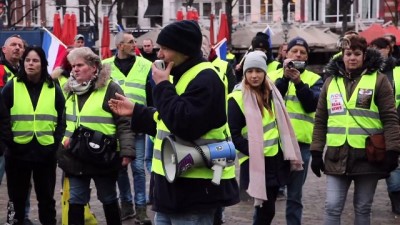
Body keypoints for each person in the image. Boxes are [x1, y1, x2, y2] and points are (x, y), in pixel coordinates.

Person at [108, 20, 240, 225]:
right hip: (171, 188)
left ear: (184, 50)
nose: (159, 54)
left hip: (194, 191)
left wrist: (161, 86)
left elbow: (183, 124)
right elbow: (166, 121)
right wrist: (136, 111)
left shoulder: (206, 78)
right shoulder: (181, 75)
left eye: (165, 49)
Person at [310, 34, 400, 224]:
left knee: (362, 207)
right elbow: (320, 120)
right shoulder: (330, 82)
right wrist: (316, 151)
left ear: (364, 56)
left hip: (368, 156)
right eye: (348, 53)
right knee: (332, 206)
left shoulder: (379, 80)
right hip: (336, 155)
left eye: (357, 54)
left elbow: (390, 119)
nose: (352, 58)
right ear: (342, 55)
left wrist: (393, 150)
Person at [57, 47, 135, 225]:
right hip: (74, 155)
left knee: (108, 197)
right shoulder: (68, 89)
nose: (75, 69)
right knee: (75, 199)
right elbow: (62, 121)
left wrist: (127, 151)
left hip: (103, 155)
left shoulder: (111, 88)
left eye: (80, 65)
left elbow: (124, 122)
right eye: (73, 65)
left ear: (94, 67)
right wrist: (61, 145)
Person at [228, 51, 302, 225]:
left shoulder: (272, 92)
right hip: (257, 161)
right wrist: (254, 151)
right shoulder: (236, 98)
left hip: (276, 159)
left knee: (268, 210)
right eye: (250, 71)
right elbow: (235, 136)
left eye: (258, 71)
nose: (254, 76)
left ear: (264, 72)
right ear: (244, 73)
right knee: (264, 211)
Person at [2, 46, 66, 225]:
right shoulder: (12, 85)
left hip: (45, 152)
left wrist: (54, 144)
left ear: (42, 64)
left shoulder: (53, 87)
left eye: (35, 60)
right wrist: (10, 143)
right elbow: (2, 117)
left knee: (46, 200)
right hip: (17, 153)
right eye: (27, 60)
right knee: (17, 199)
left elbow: (62, 118)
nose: (30, 64)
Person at [268, 37, 323, 225]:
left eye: (302, 52)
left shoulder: (315, 79)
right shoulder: (273, 75)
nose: (298, 54)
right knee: (268, 194)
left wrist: (299, 82)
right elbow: (270, 101)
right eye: (294, 51)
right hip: (276, 144)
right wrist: (284, 78)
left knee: (294, 196)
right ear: (286, 53)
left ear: (307, 57)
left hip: (301, 146)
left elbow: (310, 105)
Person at [102, 31, 153, 223]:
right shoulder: (105, 66)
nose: (135, 45)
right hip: (116, 126)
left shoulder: (146, 65)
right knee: (121, 168)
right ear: (120, 46)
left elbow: (151, 94)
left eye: (135, 42)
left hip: (139, 123)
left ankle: (141, 209)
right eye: (130, 42)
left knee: (139, 168)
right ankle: (126, 205)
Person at [370, 37, 400, 215]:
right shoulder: (367, 72)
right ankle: (395, 196)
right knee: (391, 163)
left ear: (388, 49)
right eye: (372, 48)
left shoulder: (397, 71)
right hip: (377, 126)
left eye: (379, 48)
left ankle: (396, 197)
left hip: (396, 122)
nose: (376, 51)